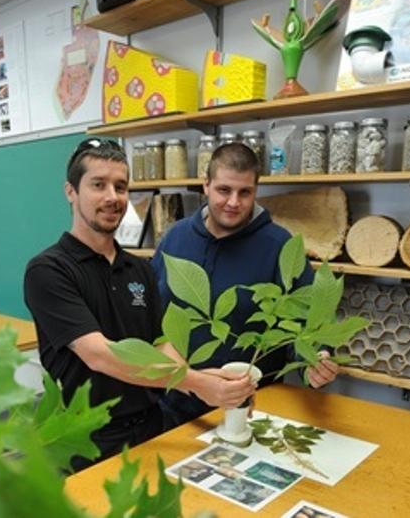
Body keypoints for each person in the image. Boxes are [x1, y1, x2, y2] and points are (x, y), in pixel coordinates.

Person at [24, 138, 255, 471]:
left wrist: (201, 380)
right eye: (98, 185)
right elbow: (99, 354)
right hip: (84, 440)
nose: (112, 197)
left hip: (150, 429)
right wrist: (198, 383)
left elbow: (161, 344)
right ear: (70, 191)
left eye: (120, 186)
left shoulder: (139, 268)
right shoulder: (48, 270)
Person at [151, 142, 339, 429]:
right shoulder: (175, 239)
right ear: (206, 185)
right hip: (173, 405)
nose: (233, 202)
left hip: (249, 409)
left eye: (245, 192)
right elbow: (151, 317)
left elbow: (309, 322)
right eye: (224, 190)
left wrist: (316, 358)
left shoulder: (279, 246)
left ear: (256, 191)